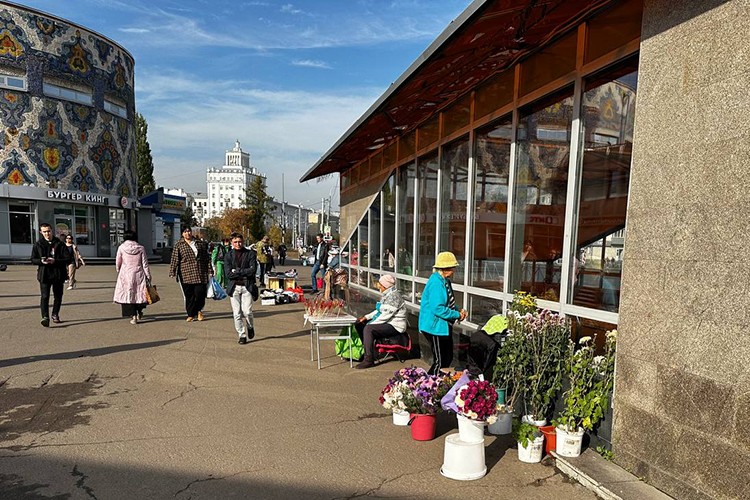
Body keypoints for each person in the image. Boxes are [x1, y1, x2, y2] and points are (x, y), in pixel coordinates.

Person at [418, 251, 467, 375]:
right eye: (453, 267)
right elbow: (438, 308)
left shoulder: (444, 281)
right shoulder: (436, 283)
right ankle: (428, 386)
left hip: (442, 326)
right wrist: (457, 315)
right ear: (446, 268)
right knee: (440, 361)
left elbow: (447, 303)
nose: (454, 270)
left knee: (447, 357)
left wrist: (457, 309)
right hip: (434, 327)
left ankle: (434, 384)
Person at [353, 275, 408, 369]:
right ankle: (364, 352)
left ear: (385, 286)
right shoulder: (388, 294)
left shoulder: (394, 297)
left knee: (368, 329)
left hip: (396, 326)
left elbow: (384, 317)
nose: (378, 286)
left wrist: (369, 324)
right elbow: (379, 310)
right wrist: (366, 318)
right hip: (388, 322)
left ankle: (369, 359)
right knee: (360, 325)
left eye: (380, 284)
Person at [31, 223, 71, 326]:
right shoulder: (38, 244)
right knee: (45, 296)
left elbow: (68, 258)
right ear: (41, 232)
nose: (47, 233)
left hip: (58, 274)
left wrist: (55, 261)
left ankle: (55, 314)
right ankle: (45, 317)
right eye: (44, 232)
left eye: (48, 231)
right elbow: (33, 259)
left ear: (52, 231)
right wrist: (41, 261)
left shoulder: (60, 244)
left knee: (58, 296)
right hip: (44, 275)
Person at [169, 226, 212, 322]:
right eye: (185, 232)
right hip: (185, 272)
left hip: (200, 271)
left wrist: (210, 270)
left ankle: (199, 310)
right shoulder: (179, 244)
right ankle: (190, 314)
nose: (187, 233)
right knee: (189, 295)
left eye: (189, 231)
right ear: (182, 234)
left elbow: (206, 258)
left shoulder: (200, 243)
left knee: (200, 293)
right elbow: (175, 258)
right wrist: (173, 271)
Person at [224, 232, 257, 344]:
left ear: (243, 242)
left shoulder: (250, 254)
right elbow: (228, 274)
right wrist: (243, 272)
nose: (238, 244)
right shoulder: (228, 255)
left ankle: (250, 326)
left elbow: (252, 270)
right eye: (235, 242)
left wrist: (237, 271)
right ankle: (241, 335)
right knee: (237, 313)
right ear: (231, 243)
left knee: (247, 311)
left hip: (247, 286)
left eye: (240, 242)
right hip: (234, 287)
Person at [113, 230, 152, 324]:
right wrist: (148, 275)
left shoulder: (121, 248)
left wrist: (118, 270)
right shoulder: (141, 248)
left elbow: (118, 261)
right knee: (139, 294)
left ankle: (133, 316)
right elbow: (144, 263)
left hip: (125, 274)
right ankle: (139, 311)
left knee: (128, 295)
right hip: (138, 273)